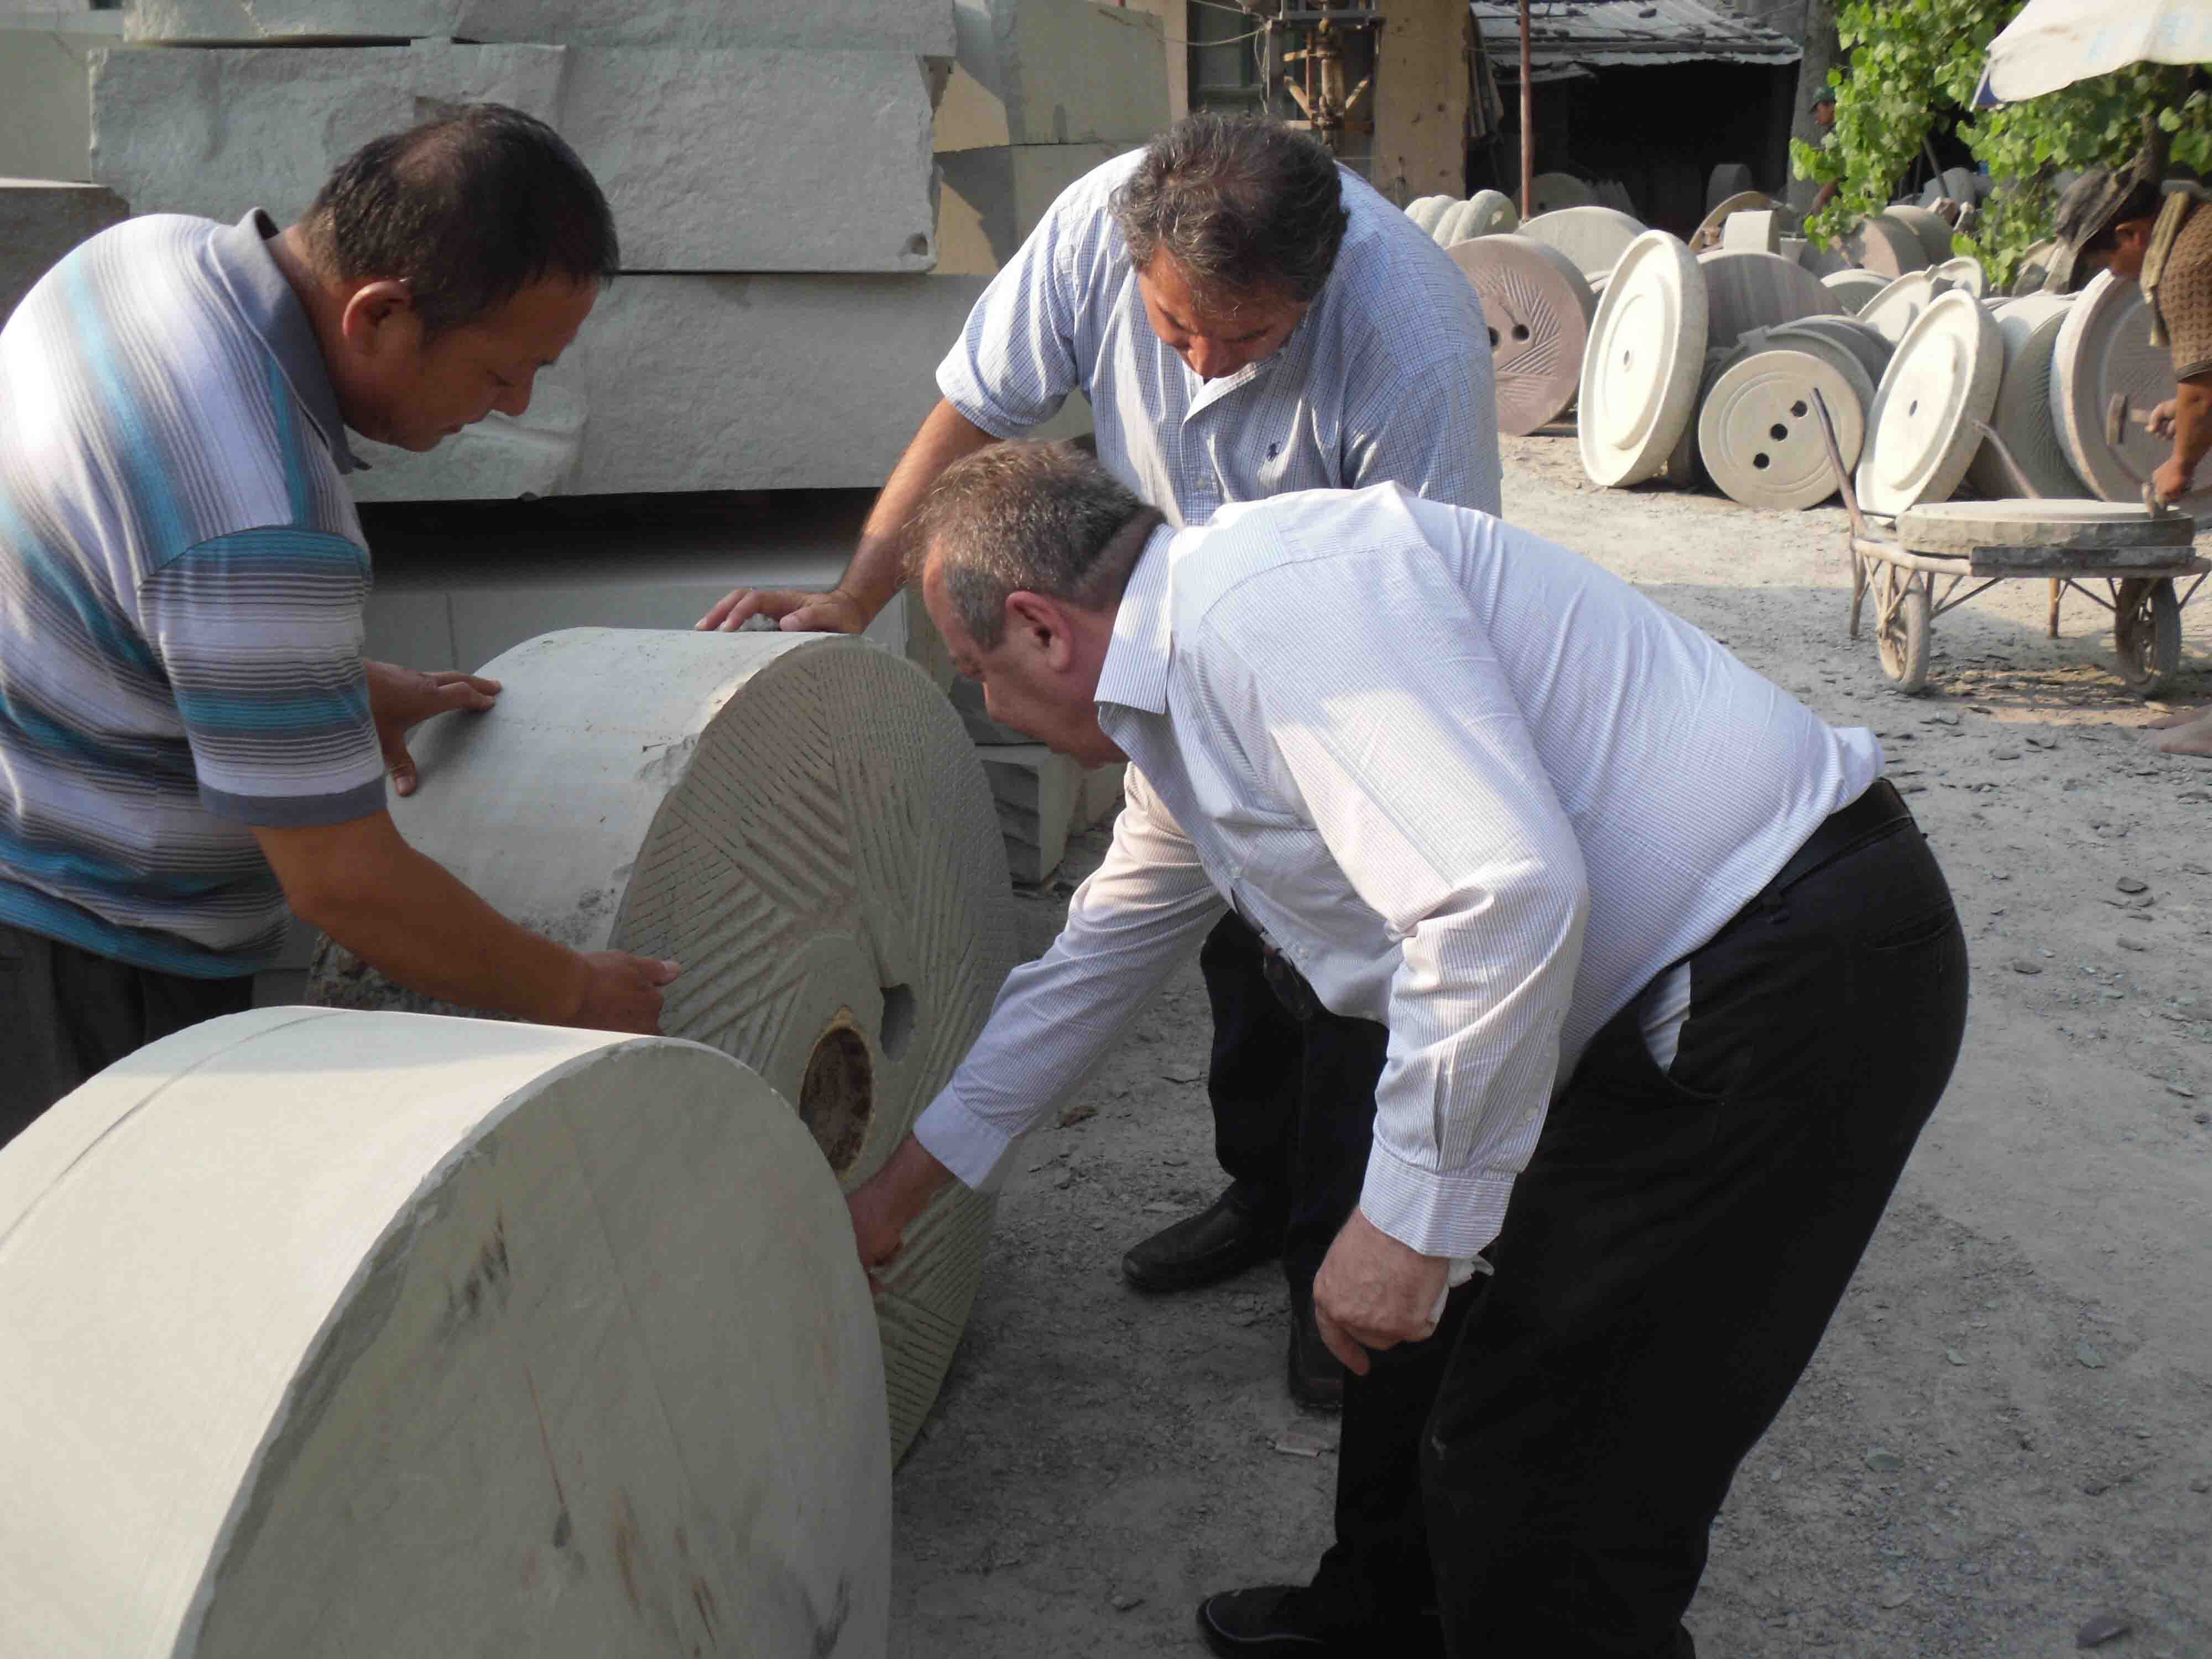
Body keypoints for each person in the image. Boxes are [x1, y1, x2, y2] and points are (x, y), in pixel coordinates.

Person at [847, 441, 1969, 1658]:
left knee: (1550, 1477)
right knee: (1417, 1355)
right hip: (1675, 979)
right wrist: (901, 1191)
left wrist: (1404, 1226)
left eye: (977, 676)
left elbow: (1499, 897)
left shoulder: (1266, 609)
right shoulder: (1186, 702)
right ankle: (1380, 1618)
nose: (990, 711)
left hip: (1781, 980)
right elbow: (1086, 968)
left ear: (1041, 628)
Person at [698, 112, 1501, 1407]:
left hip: (1349, 671)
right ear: (1137, 257)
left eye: (1249, 342)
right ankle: (1263, 1188)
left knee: (1358, 962)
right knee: (1225, 942)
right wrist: (856, 594)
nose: (1204, 366)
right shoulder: (1090, 229)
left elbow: (1433, 619)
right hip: (1178, 630)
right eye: (1179, 329)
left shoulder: (1409, 335)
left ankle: (1338, 1258)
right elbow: (970, 413)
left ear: (1320, 280)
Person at [0, 105, 680, 1146]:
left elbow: (101, 567)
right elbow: (346, 886)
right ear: (379, 315)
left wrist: (324, 689)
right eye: (500, 371)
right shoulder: (263, 514)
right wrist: (575, 993)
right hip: (87, 961)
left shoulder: (143, 259)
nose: (511, 404)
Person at [2045, 140, 2212, 757]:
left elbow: (2203, 393)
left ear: (2132, 233)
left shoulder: (2189, 260)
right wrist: (2185, 404)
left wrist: (2181, 462)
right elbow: (2202, 385)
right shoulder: (2197, 233)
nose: (2107, 274)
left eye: (2102, 259)